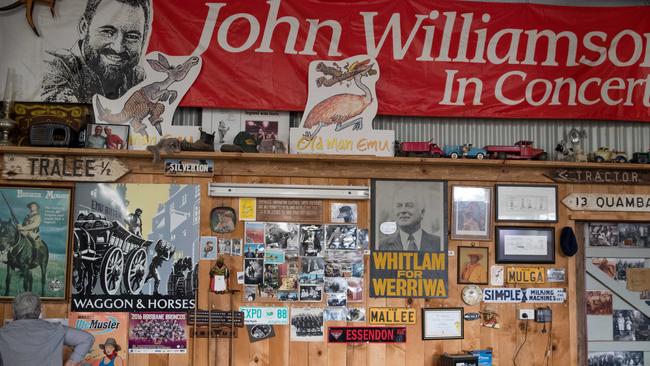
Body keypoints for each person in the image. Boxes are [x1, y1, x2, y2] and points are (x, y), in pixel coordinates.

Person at [41, 0, 152, 103]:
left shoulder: (139, 79)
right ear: (83, 27)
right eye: (108, 31)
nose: (118, 48)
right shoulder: (54, 69)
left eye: (132, 37)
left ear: (143, 40)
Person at [0, 292, 94, 366]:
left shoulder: (2, 333)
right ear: (39, 310)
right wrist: (72, 362)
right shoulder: (55, 329)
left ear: (14, 311)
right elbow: (87, 338)